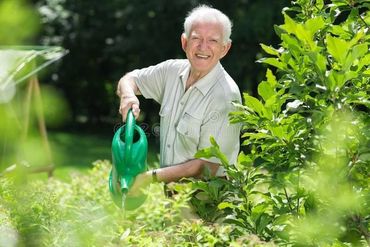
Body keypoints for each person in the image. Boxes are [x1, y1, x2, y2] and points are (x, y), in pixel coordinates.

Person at [116, 5, 241, 197]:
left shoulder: (225, 96)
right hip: (174, 198)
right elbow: (130, 80)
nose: (203, 47)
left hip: (208, 204)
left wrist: (149, 178)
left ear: (225, 48)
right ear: (184, 42)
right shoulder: (172, 72)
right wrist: (128, 95)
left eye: (213, 41)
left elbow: (208, 167)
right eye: (196, 38)